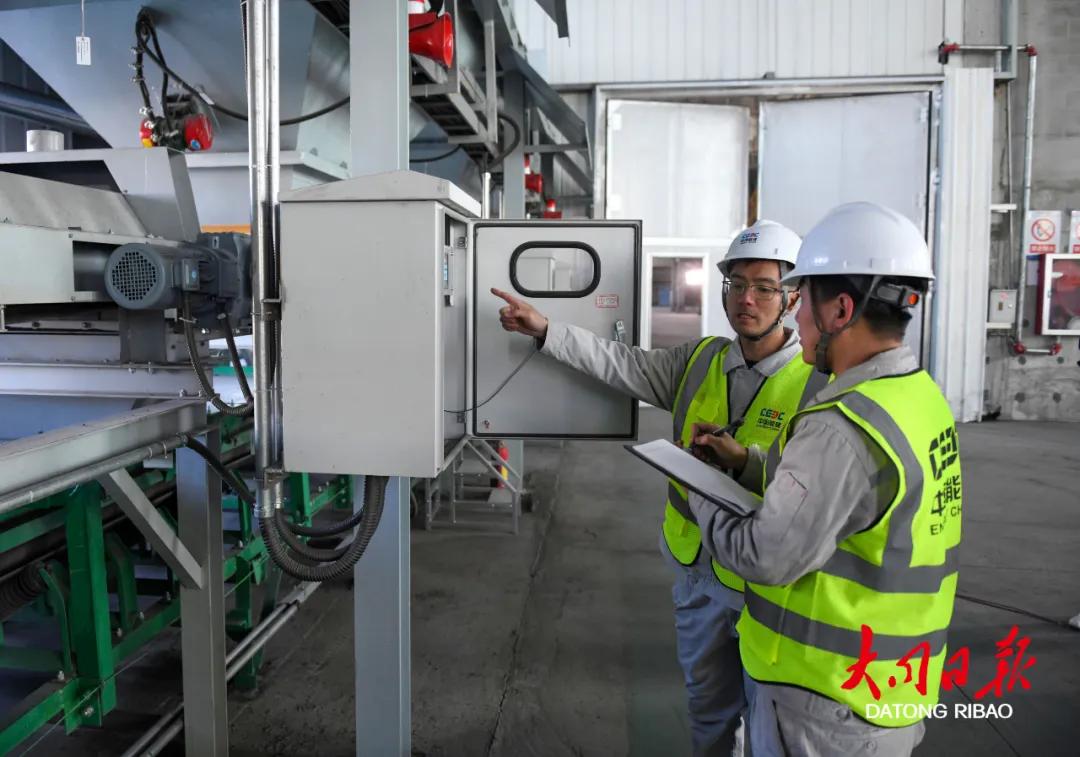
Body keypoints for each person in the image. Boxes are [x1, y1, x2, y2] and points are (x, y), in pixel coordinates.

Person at [493, 220, 826, 756]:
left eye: (765, 287)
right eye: (737, 284)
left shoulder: (816, 384)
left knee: (770, 724)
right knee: (708, 710)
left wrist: (744, 462)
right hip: (697, 575)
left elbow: (813, 489)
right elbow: (621, 363)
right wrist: (546, 330)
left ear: (793, 299)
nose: (747, 299)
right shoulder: (699, 361)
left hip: (767, 590)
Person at [688, 202, 962, 756]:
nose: (797, 320)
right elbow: (853, 498)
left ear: (840, 309)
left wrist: (698, 488)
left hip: (824, 700)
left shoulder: (841, 426)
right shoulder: (918, 398)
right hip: (889, 685)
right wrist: (749, 463)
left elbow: (765, 555)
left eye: (801, 298)